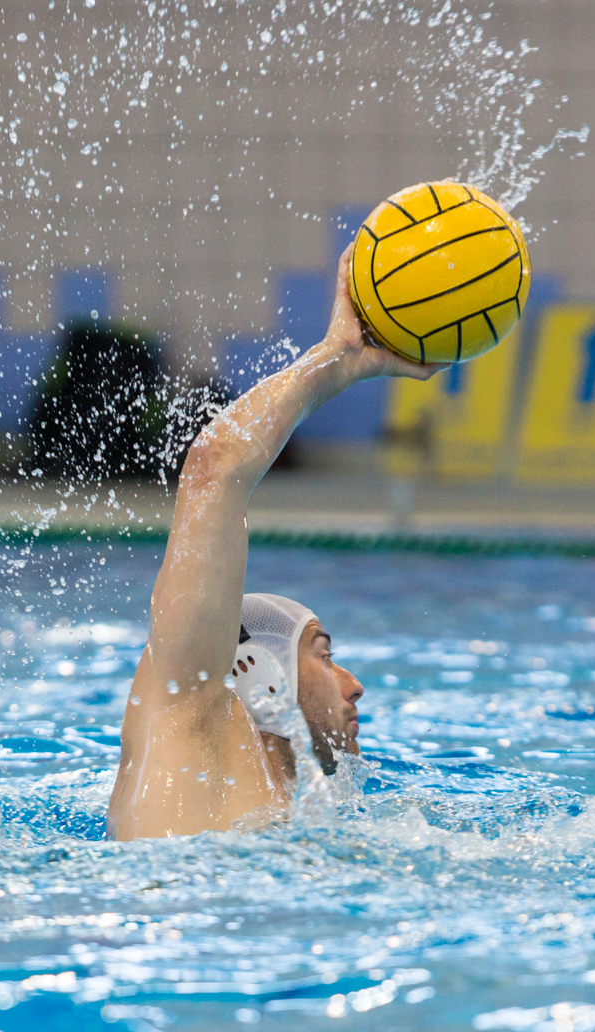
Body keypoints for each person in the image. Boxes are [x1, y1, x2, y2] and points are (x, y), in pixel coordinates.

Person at [106, 247, 440, 840]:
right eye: (323, 654)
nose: (355, 685)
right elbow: (213, 468)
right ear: (257, 671)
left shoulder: (297, 818)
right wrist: (335, 360)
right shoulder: (185, 734)